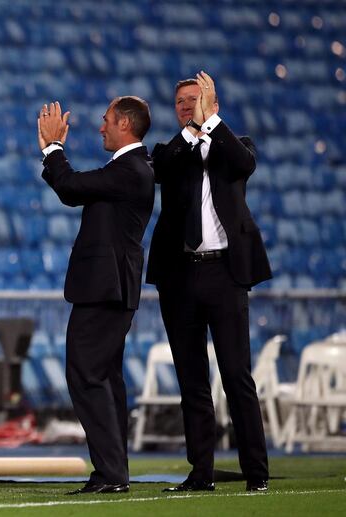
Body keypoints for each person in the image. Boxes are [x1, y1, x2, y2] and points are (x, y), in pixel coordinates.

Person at [146, 72, 272, 493]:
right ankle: (201, 473)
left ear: (212, 102)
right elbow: (160, 168)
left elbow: (244, 164)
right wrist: (191, 130)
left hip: (225, 273)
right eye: (180, 101)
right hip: (180, 276)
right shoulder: (170, 150)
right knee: (191, 379)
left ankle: (256, 473)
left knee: (237, 375)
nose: (186, 105)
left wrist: (212, 124)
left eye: (194, 99)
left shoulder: (236, 146)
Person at [38, 97, 154, 494]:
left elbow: (71, 188)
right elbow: (75, 189)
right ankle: (112, 470)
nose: (101, 127)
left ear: (124, 123)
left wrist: (52, 148)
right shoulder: (132, 169)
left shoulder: (131, 169)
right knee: (105, 378)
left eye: (106, 121)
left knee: (86, 374)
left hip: (105, 287)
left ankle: (111, 473)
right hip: (110, 287)